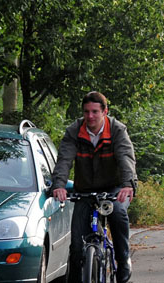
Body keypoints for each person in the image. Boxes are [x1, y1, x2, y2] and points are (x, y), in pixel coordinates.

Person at [51, 91, 137, 283]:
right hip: (85, 191)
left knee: (118, 215)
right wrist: (59, 185)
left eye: (95, 112)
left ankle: (123, 260)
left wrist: (127, 185)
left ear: (105, 111)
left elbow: (125, 158)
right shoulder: (74, 131)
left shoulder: (117, 130)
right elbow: (64, 160)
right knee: (75, 246)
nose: (90, 116)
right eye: (86, 112)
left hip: (114, 188)